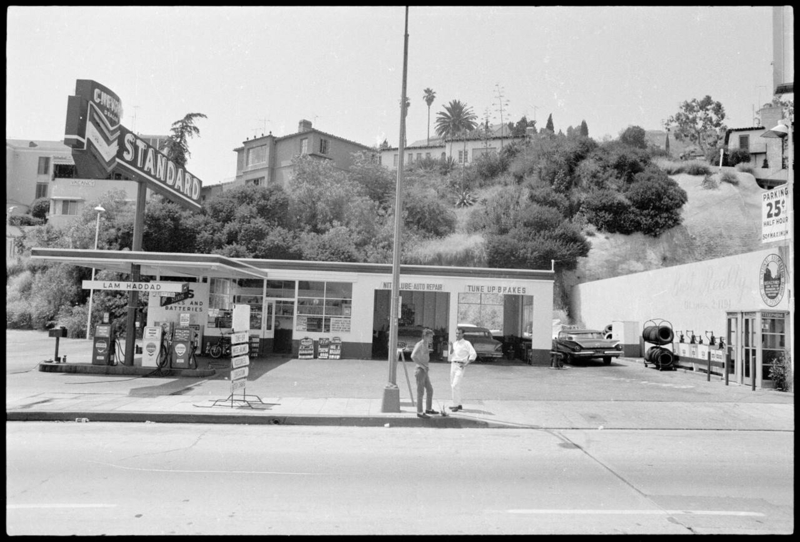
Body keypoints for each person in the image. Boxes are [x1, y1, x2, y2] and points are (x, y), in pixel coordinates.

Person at [411, 328, 437, 419]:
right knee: (420, 392)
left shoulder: (426, 344)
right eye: (430, 337)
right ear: (425, 336)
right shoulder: (420, 344)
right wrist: (422, 365)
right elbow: (413, 356)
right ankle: (420, 412)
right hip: (420, 370)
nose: (431, 339)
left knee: (430, 389)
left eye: (432, 337)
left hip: (425, 370)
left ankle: (428, 408)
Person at [448, 327, 476, 411]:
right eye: (456, 333)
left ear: (463, 334)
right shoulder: (455, 343)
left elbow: (473, 354)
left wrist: (466, 364)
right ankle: (458, 404)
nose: (457, 335)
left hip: (460, 365)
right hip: (453, 365)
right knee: (454, 385)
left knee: (455, 385)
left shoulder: (466, 343)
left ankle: (455, 405)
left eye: (459, 333)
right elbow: (451, 354)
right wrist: (451, 346)